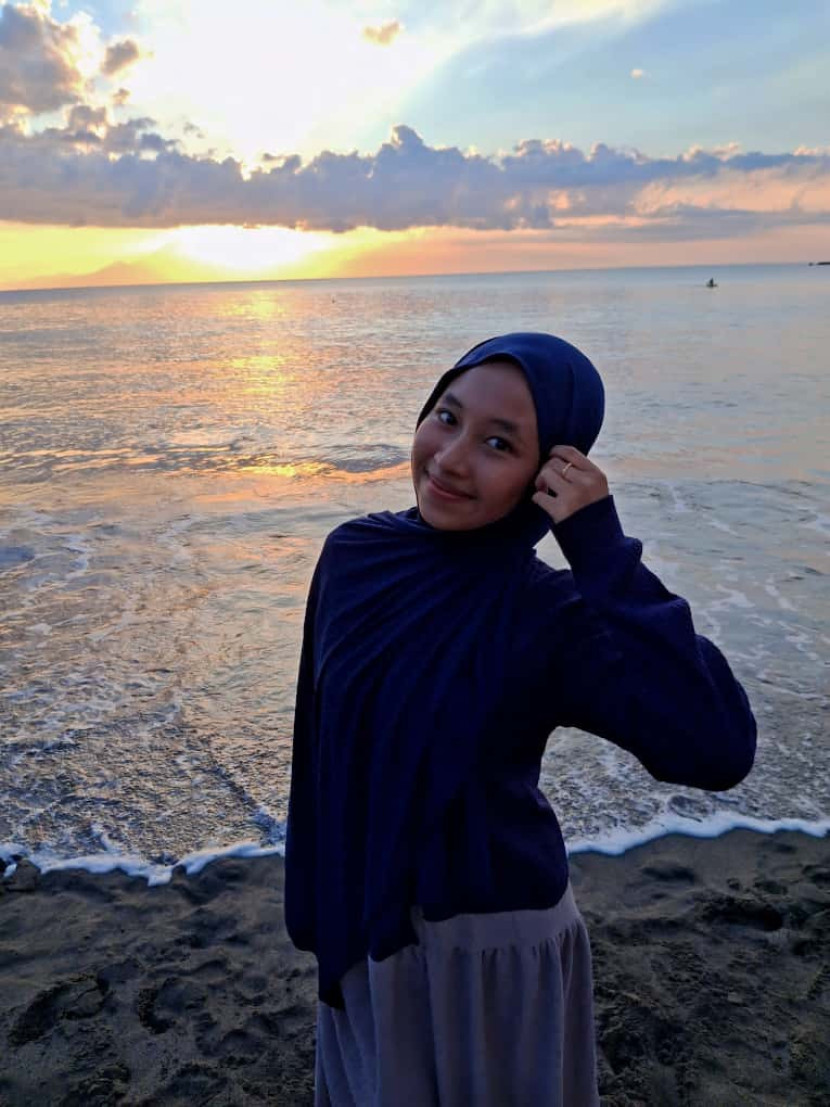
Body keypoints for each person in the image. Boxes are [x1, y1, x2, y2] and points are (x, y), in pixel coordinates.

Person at [285, 332, 756, 1106]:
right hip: (366, 930)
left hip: (491, 950)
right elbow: (321, 750)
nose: (450, 458)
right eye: (447, 416)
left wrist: (602, 551)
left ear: (549, 475)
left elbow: (718, 745)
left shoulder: (547, 614)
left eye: (499, 443)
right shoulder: (354, 556)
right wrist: (318, 911)